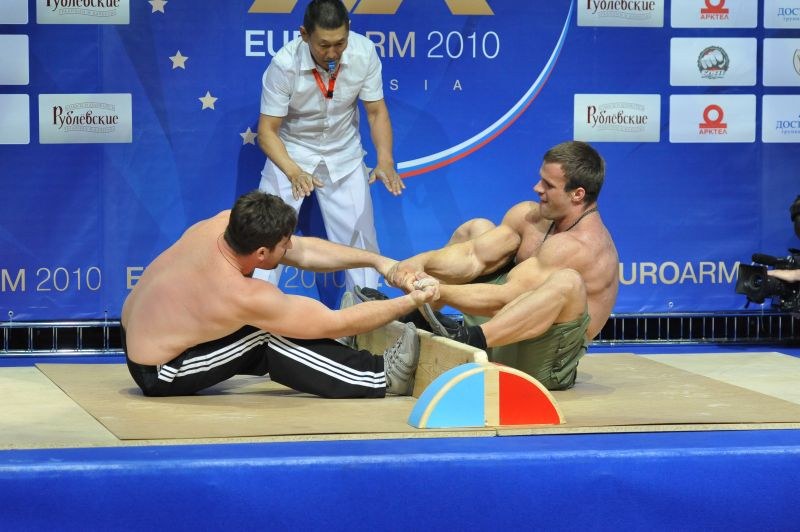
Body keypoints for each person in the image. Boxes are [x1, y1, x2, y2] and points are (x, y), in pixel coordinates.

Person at [121, 191, 438, 399]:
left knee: (282, 321)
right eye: (283, 245)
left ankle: (338, 353)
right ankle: (379, 376)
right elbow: (335, 321)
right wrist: (411, 301)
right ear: (261, 253)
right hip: (160, 371)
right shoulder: (237, 294)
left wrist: (380, 262)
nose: (289, 248)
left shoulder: (225, 224)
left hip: (142, 333)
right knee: (266, 335)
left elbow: (305, 250)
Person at [379, 141, 619, 390]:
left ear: (577, 194)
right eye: (541, 179)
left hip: (545, 363)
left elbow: (505, 298)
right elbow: (473, 256)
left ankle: (467, 339)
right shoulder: (533, 217)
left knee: (568, 282)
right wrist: (420, 262)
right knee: (477, 229)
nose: (537, 188)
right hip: (508, 333)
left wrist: (433, 289)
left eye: (548, 185)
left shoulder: (583, 246)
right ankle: (416, 319)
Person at [256, 0, 402, 291]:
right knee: (264, 238)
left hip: (344, 155)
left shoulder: (364, 53)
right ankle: (256, 315)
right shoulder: (284, 65)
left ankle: (364, 316)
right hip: (290, 154)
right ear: (304, 34)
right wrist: (293, 172)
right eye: (324, 45)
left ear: (349, 31)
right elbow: (267, 132)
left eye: (340, 43)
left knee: (361, 245)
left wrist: (385, 160)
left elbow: (376, 112)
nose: (333, 53)